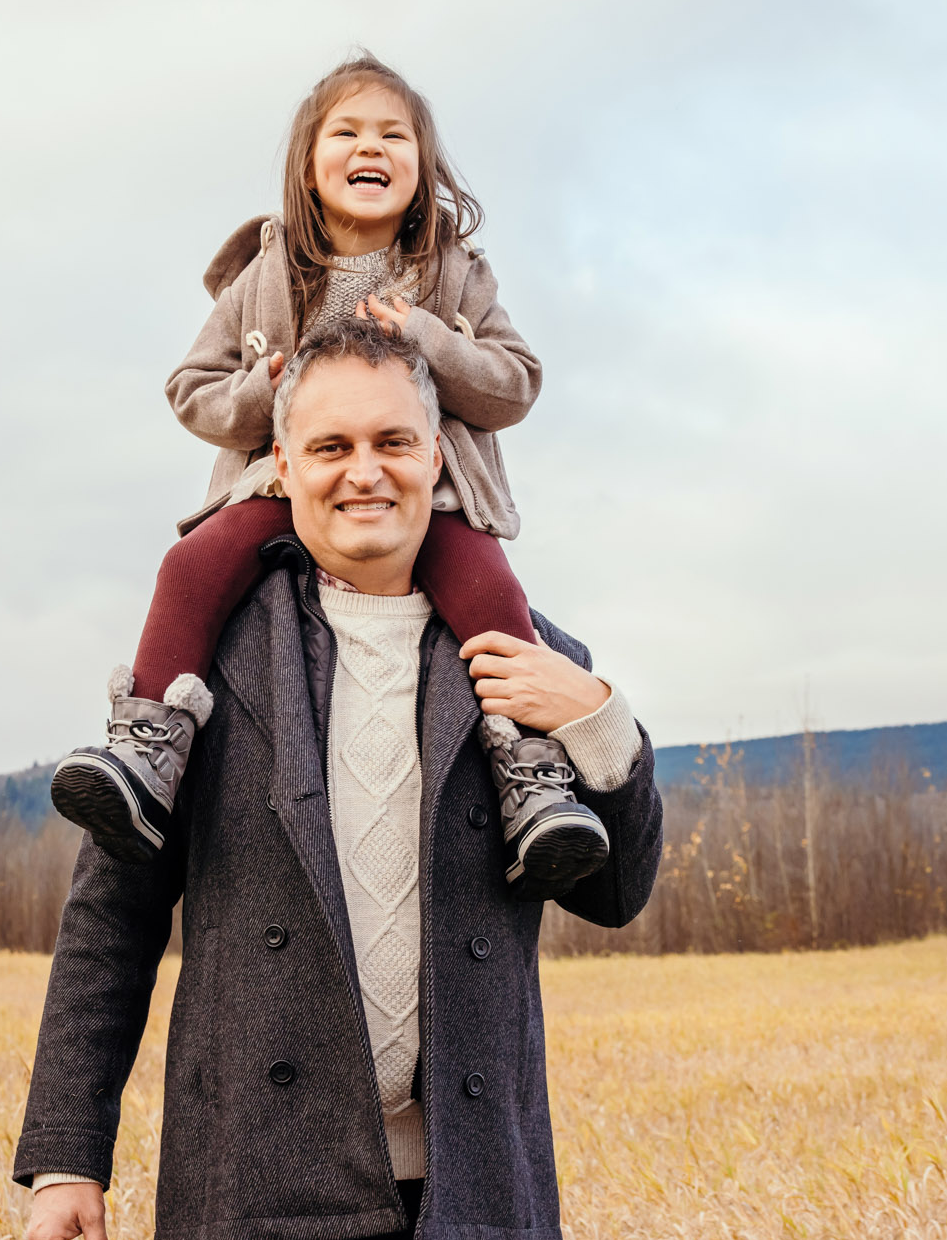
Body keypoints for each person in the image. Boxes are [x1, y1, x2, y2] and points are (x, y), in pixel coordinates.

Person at [16, 319, 663, 1240]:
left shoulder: (527, 657)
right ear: (282, 461)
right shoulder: (200, 662)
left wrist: (602, 723)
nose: (363, 469)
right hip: (256, 1172)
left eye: (391, 441)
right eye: (329, 445)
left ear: (436, 459)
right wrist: (66, 1158)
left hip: (467, 1183)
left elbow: (617, 891)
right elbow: (108, 926)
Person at [51, 51, 613, 901]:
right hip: (283, 491)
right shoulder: (263, 277)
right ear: (309, 168)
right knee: (192, 566)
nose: (370, 146)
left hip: (429, 496)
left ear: (421, 172)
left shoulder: (455, 274)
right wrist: (264, 388)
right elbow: (188, 388)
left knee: (490, 588)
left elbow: (516, 382)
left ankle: (528, 777)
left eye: (394, 134)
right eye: (346, 132)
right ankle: (149, 746)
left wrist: (430, 336)